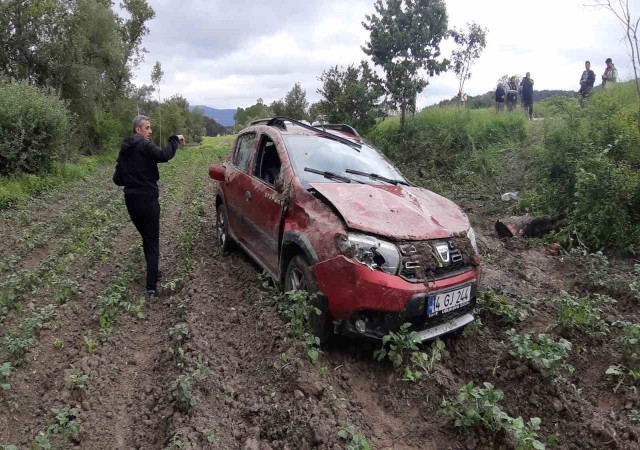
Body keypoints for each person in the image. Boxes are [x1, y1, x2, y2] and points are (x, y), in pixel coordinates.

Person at [113, 115, 184, 297]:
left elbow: (117, 179)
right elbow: (164, 155)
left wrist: (131, 175)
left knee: (146, 238)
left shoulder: (124, 150)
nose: (150, 131)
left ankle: (153, 272)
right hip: (148, 199)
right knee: (152, 241)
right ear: (138, 129)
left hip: (131, 201)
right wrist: (174, 139)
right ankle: (151, 287)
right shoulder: (144, 145)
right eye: (147, 128)